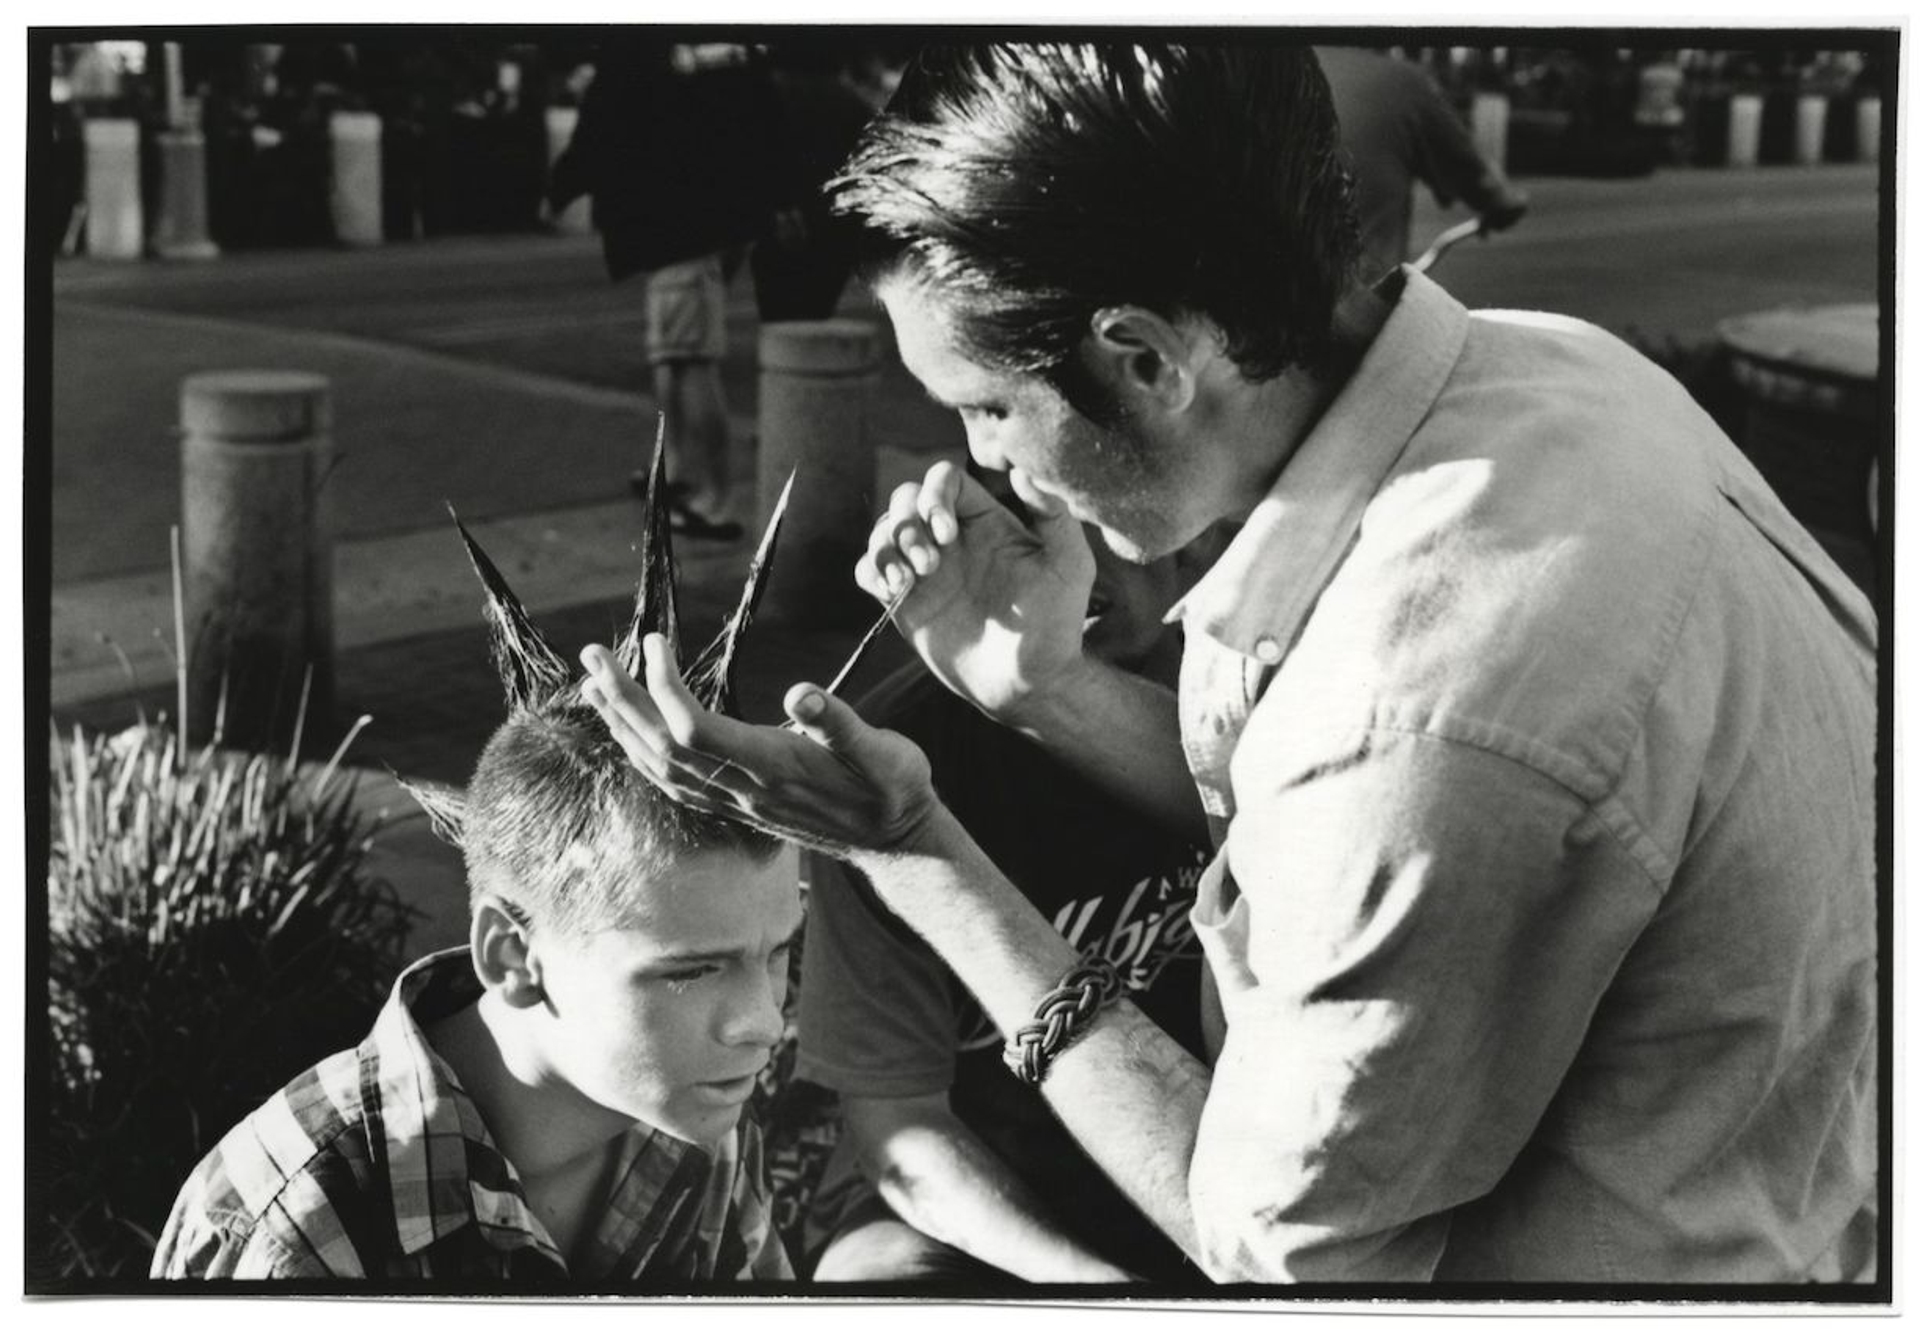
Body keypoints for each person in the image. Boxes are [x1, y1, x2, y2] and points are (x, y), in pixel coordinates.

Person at [578, 42, 1878, 1284]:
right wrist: (1045, 687)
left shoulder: (1424, 712)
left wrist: (915, 846)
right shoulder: (1552, 371)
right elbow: (1315, 814)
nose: (980, 460)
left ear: (1141, 359)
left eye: (985, 407)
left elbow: (1278, 1253)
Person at [152, 519, 798, 1282]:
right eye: (690, 970)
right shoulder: (296, 1225)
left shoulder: (694, 1119)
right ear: (513, 954)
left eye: (780, 951)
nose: (762, 1022)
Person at [797, 502, 1218, 1286]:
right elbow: (902, 1125)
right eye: (1029, 520)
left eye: (1092, 514)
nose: (1072, 564)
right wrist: (1086, 1282)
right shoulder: (888, 762)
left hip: (1237, 1161)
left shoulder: (1241, 691)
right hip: (1013, 1205)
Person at [549, 37, 790, 540]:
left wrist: (557, 191)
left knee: (691, 362)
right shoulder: (715, 48)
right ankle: (679, 475)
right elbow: (763, 115)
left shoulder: (633, 49)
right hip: (704, 225)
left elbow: (597, 127)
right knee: (672, 358)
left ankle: (715, 500)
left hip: (676, 231)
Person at [1316, 46, 1530, 282]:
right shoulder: (1403, 82)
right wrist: (1506, 204)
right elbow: (1490, 188)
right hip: (1363, 294)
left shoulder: (1280, 70)